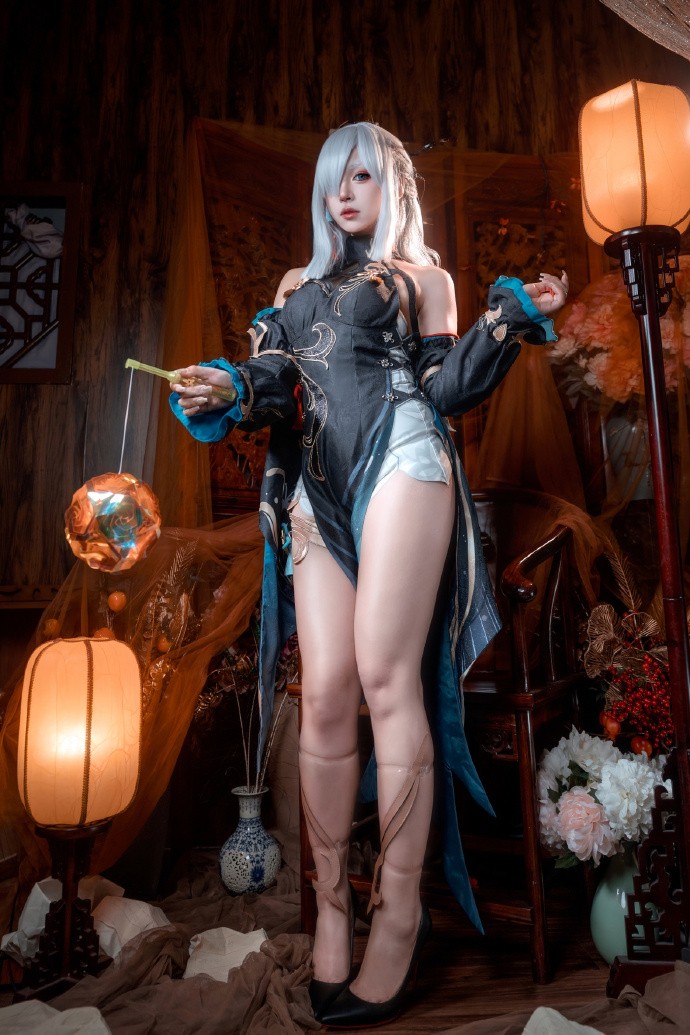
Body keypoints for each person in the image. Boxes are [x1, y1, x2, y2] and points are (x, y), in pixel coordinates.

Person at [169, 122, 568, 1028]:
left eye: (360, 176)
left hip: (404, 455)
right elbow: (276, 380)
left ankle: (398, 914)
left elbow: (449, 387)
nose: (342, 194)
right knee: (325, 693)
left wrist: (511, 318)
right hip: (317, 481)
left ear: (392, 184)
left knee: (389, 679)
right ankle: (332, 913)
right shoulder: (293, 288)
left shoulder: (425, 279)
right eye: (331, 180)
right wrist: (230, 388)